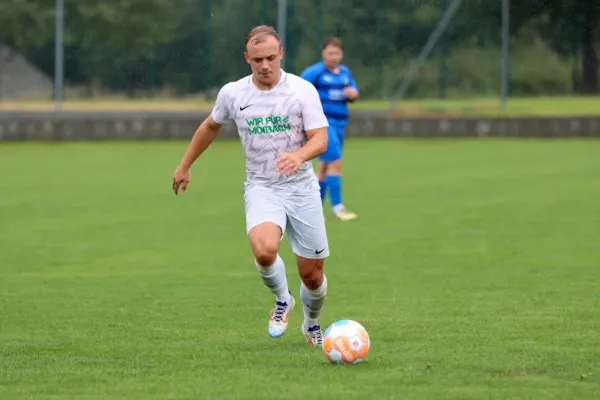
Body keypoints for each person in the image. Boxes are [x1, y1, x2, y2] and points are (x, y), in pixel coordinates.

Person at [172, 25, 330, 347]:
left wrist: (299, 156)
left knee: (312, 276)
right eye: (257, 59)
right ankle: (283, 300)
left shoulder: (302, 91)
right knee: (264, 248)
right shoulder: (233, 93)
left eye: (271, 57)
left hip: (301, 188)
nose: (265, 65)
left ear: (281, 54)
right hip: (262, 186)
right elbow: (210, 126)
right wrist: (186, 164)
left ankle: (312, 322)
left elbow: (321, 139)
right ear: (247, 58)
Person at [301, 37, 359, 222]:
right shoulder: (314, 72)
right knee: (335, 162)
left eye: (336, 53)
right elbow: (299, 90)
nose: (333, 57)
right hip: (323, 125)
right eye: (329, 53)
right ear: (323, 53)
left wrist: (352, 94)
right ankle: (338, 207)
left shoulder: (345, 72)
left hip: (340, 123)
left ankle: (314, 208)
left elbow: (354, 92)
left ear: (341, 54)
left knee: (325, 167)